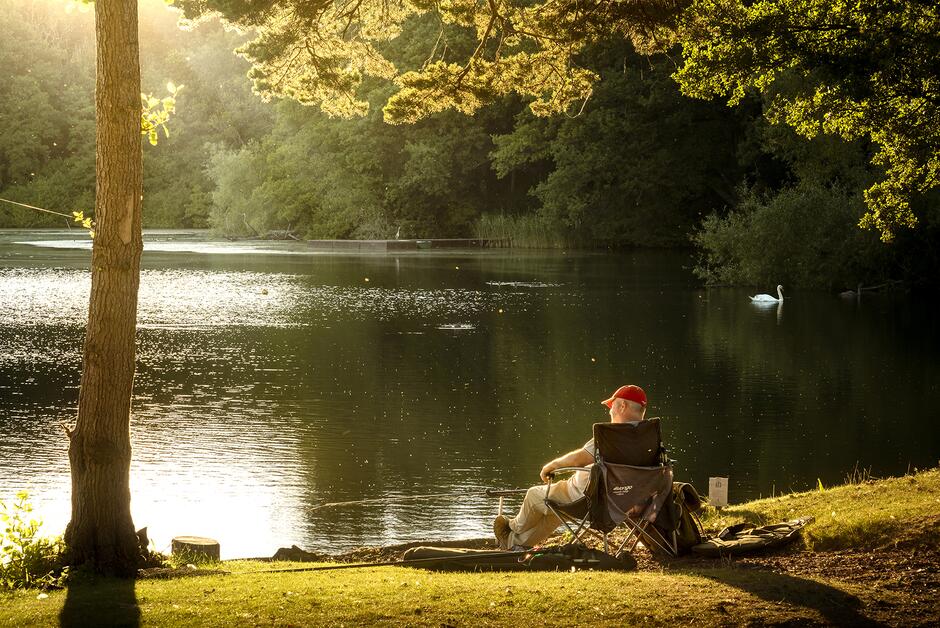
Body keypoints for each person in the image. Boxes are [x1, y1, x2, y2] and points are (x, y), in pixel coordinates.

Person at [493, 384, 649, 550]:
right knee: (552, 515)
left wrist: (552, 465)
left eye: (612, 406)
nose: (610, 411)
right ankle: (513, 544)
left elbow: (579, 459)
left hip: (588, 501)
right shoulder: (647, 437)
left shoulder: (611, 435)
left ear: (623, 406)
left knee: (534, 495)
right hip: (625, 504)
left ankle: (510, 527)